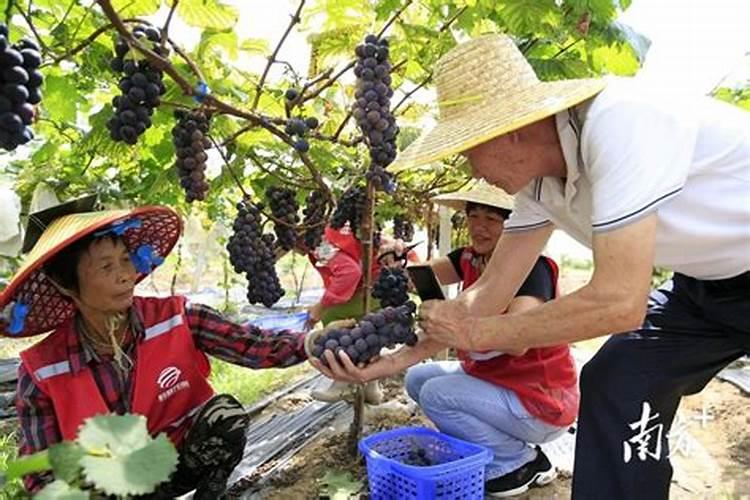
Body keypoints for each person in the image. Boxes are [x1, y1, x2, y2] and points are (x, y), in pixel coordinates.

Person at [383, 34, 749, 500]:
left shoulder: (622, 122)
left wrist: (477, 336)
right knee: (618, 380)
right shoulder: (539, 187)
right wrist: (404, 357)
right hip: (704, 287)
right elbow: (488, 294)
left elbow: (619, 302)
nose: (472, 171)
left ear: (505, 131)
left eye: (467, 149)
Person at [0, 196, 334, 498]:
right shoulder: (43, 369)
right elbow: (41, 470)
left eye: (126, 259)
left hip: (175, 462)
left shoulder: (175, 316)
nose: (125, 275)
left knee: (225, 416)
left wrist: (312, 342)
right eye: (106, 266)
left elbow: (252, 345)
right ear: (66, 285)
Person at [314, 181, 578, 496]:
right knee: (417, 378)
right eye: (473, 216)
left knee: (439, 393)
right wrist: (394, 264)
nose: (479, 227)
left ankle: (519, 462)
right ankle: (497, 448)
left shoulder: (533, 269)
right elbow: (422, 275)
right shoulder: (470, 257)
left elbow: (515, 340)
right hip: (500, 381)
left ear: (516, 224)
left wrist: (448, 329)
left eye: (492, 219)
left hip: (540, 398)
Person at [299, 224, 384, 403]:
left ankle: (341, 383)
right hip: (379, 288)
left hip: (368, 290)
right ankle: (372, 387)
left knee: (334, 318)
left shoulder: (319, 244)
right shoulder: (338, 232)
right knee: (369, 337)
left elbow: (350, 273)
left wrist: (321, 307)